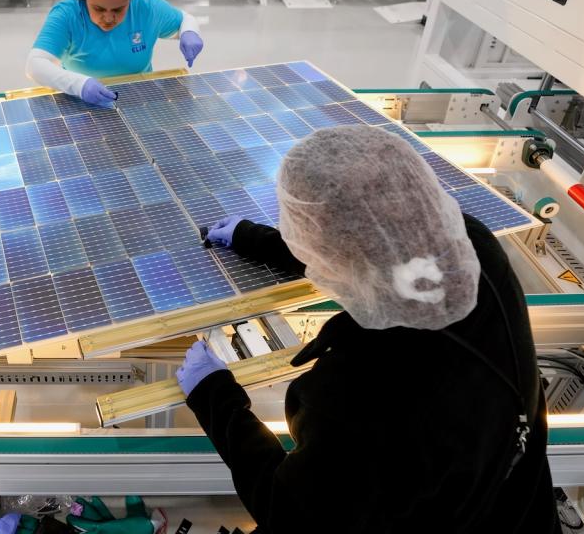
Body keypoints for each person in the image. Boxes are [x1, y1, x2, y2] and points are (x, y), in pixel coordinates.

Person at [177, 125, 560, 533]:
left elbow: (288, 512)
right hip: (525, 509)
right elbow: (374, 246)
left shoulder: (363, 403)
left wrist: (214, 397)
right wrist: (255, 239)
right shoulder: (473, 248)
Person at [26, 0, 204, 108]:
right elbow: (35, 64)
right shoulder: (68, 14)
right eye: (98, 9)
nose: (109, 18)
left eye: (118, 10)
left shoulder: (146, 7)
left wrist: (189, 31)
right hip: (82, 100)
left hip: (140, 96)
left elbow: (184, 19)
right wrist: (80, 85)